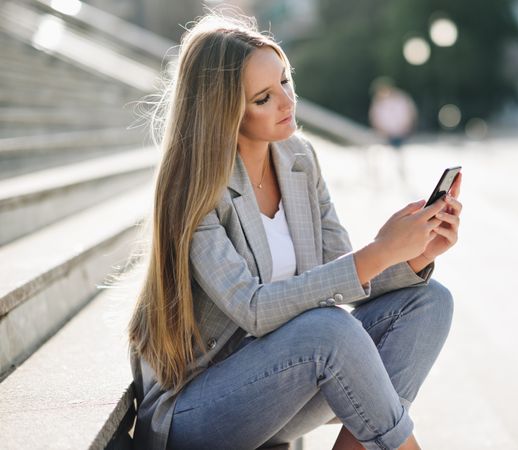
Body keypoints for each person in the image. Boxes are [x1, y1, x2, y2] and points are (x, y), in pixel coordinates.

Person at [128, 13, 463, 450]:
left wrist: (413, 255)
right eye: (263, 98)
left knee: (428, 301)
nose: (287, 102)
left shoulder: (299, 160)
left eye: (285, 81)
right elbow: (252, 308)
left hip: (286, 383)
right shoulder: (192, 186)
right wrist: (380, 251)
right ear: (222, 110)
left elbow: (340, 276)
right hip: (197, 406)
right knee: (328, 330)